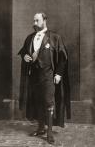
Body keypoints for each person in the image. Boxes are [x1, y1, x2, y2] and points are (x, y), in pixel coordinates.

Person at [18, 12, 71, 144]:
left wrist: (58, 74)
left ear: (44, 20)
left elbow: (63, 58)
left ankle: (49, 133)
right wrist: (24, 56)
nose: (34, 23)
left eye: (37, 21)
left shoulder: (54, 37)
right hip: (33, 76)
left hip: (48, 76)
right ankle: (41, 128)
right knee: (37, 102)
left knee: (48, 102)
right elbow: (24, 51)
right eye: (34, 21)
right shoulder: (30, 38)